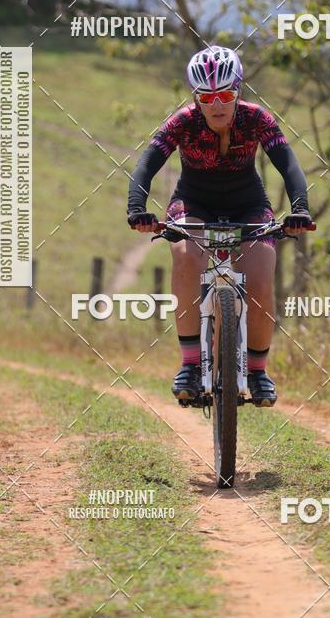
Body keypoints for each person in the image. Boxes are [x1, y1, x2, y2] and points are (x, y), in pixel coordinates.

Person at [127, 46, 312, 406]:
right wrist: (137, 209)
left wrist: (300, 209)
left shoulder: (257, 118)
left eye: (225, 94)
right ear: (196, 97)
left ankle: (258, 371)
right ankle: (191, 365)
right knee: (185, 257)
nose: (217, 105)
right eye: (207, 97)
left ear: (238, 91)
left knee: (260, 279)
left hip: (249, 205)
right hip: (194, 204)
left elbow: (289, 165)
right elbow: (146, 164)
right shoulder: (182, 122)